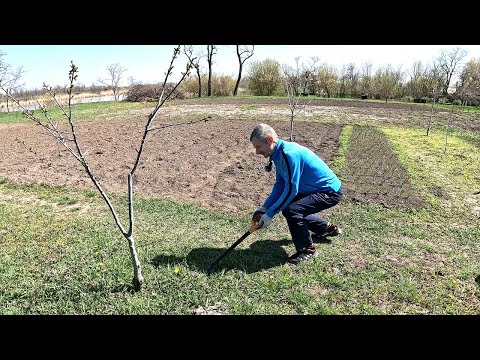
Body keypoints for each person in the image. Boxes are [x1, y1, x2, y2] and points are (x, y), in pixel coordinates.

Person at [250, 123, 343, 265]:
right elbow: (280, 185)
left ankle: (308, 250)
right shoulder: (277, 154)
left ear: (269, 140)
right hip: (311, 189)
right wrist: (265, 208)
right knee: (289, 208)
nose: (256, 152)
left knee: (293, 210)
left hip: (329, 191)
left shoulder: (288, 154)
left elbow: (291, 190)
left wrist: (270, 214)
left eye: (258, 147)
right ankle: (325, 228)